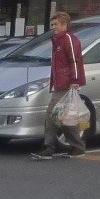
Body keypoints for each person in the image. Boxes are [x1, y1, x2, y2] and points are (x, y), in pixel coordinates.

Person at [32, 11, 87, 160]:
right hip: (61, 83)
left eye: (56, 24)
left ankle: (48, 147)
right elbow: (59, 64)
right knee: (65, 118)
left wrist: (75, 80)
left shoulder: (68, 39)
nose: (53, 27)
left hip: (66, 85)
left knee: (52, 114)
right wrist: (52, 80)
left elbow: (74, 61)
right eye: (52, 24)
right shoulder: (58, 40)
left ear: (64, 24)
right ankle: (78, 147)